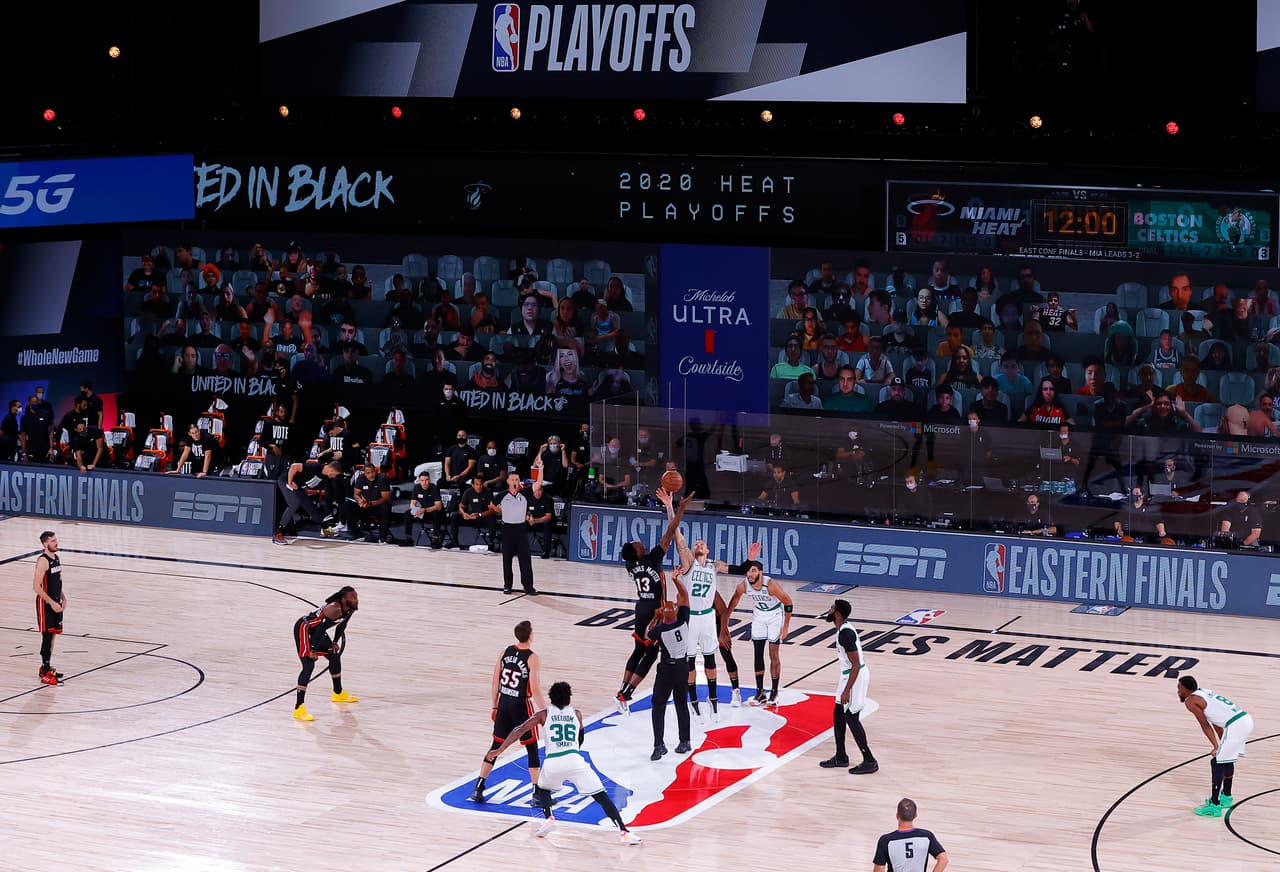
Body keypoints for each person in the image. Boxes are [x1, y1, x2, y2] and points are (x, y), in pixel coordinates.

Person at [485, 681, 641, 844]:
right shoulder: (577, 713)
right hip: (574, 759)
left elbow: (519, 730)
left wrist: (499, 750)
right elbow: (580, 736)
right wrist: (575, 749)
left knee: (542, 788)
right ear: (569, 698)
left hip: (553, 761)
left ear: (551, 698)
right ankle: (624, 831)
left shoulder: (543, 715)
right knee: (601, 796)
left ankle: (549, 818)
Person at [614, 488, 695, 713]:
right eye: (636, 544)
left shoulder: (631, 564)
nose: (639, 542)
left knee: (637, 651)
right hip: (655, 612)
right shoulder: (652, 559)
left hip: (641, 608)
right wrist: (680, 509)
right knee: (649, 656)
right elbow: (671, 530)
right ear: (638, 552)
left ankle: (622, 690)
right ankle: (626, 695)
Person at [672, 532, 760, 720]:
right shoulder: (689, 563)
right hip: (691, 618)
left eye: (701, 543)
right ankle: (693, 700)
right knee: (690, 662)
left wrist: (750, 559)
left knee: (710, 660)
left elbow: (740, 569)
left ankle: (713, 700)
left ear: (708, 549)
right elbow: (679, 540)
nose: (698, 544)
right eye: (696, 544)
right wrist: (670, 508)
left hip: (708, 618)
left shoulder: (715, 565)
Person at [470, 620, 545, 802]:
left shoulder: (505, 652)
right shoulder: (532, 657)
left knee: (496, 746)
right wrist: (545, 711)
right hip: (521, 705)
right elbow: (534, 689)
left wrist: (495, 705)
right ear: (530, 635)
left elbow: (495, 681)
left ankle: (479, 786)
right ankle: (537, 793)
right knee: (532, 747)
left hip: (504, 703)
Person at [1176, 675, 1255, 817]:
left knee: (1217, 762)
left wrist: (1215, 746)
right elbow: (1215, 720)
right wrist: (1220, 743)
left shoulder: (1191, 701)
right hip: (1244, 720)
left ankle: (1214, 806)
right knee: (1226, 759)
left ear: (1186, 689)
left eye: (1179, 688)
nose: (1178, 691)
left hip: (1235, 725)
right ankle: (1226, 797)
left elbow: (1204, 724)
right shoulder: (1203, 692)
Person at [818, 599, 879, 775]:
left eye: (831, 609)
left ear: (837, 614)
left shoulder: (845, 634)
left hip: (856, 676)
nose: (828, 611)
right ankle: (841, 756)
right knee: (838, 713)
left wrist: (847, 690)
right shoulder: (842, 629)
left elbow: (856, 664)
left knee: (851, 717)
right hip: (847, 675)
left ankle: (870, 760)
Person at [724, 558, 794, 708]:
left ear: (760, 573)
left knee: (773, 654)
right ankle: (760, 692)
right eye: (748, 570)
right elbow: (735, 599)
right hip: (759, 615)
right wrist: (727, 617)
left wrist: (786, 625)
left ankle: (774, 691)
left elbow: (788, 602)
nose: (750, 573)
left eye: (753, 570)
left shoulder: (770, 585)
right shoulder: (744, 585)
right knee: (757, 653)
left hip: (775, 615)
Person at [292, 585, 360, 721]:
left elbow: (342, 625)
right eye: (353, 597)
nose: (356, 599)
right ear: (343, 598)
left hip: (317, 631)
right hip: (305, 629)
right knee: (309, 665)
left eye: (356, 596)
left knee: (334, 656)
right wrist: (312, 650)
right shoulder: (334, 608)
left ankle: (338, 693)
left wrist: (335, 642)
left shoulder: (350, 609)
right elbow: (319, 629)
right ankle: (299, 708)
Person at [646, 570, 693, 761]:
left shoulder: (660, 630)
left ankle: (659, 746)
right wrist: (676, 580)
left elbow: (647, 634)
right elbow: (684, 596)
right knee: (681, 704)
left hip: (667, 669)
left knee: (658, 705)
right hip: (683, 667)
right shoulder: (683, 620)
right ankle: (685, 741)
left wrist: (656, 615)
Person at [274, 459, 344, 543]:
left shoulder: (326, 477)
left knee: (312, 510)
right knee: (294, 504)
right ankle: (278, 533)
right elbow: (294, 466)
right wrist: (290, 483)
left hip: (298, 487)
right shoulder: (315, 467)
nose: (334, 477)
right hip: (286, 480)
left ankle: (325, 530)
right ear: (332, 469)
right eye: (335, 474)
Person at [873, 798, 949, 872]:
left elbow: (879, 870)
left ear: (897, 816)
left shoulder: (886, 841)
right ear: (915, 815)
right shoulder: (926, 837)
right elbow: (943, 859)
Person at [492, 472, 537, 595]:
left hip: (521, 529)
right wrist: (501, 511)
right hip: (507, 529)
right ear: (508, 481)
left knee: (525, 560)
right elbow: (491, 505)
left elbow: (538, 485)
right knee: (507, 559)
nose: (515, 481)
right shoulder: (502, 495)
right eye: (512, 479)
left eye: (517, 479)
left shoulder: (524, 493)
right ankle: (507, 585)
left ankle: (528, 586)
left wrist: (541, 469)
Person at [33, 531, 66, 686]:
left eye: (56, 540)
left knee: (52, 636)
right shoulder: (43, 561)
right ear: (45, 544)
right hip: (45, 604)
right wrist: (51, 602)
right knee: (47, 637)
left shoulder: (56, 558)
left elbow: (56, 582)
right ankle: (45, 673)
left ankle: (45, 667)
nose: (56, 543)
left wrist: (63, 597)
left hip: (56, 602)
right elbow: (36, 587)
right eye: (53, 541)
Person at [403, 470, 444, 548]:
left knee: (436, 513)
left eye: (426, 480)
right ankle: (409, 539)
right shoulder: (417, 487)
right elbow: (412, 503)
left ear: (430, 480)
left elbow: (438, 506)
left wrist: (423, 510)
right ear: (419, 481)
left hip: (433, 511)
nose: (424, 483)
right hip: (422, 512)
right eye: (422, 480)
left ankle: (436, 539)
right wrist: (415, 511)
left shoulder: (434, 488)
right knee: (407, 514)